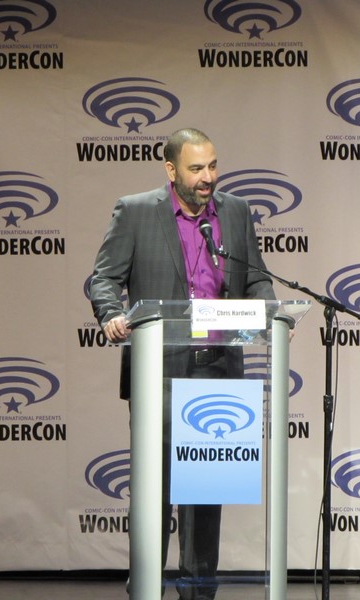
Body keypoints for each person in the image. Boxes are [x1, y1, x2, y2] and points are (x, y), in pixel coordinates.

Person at [89, 127, 276, 600]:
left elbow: (255, 280)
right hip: (160, 373)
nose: (208, 177)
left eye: (212, 165)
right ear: (171, 170)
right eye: (196, 168)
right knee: (154, 495)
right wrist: (110, 314)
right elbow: (104, 279)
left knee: (204, 502)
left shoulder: (235, 211)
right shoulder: (136, 211)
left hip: (218, 370)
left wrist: (270, 312)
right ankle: (146, 590)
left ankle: (198, 594)